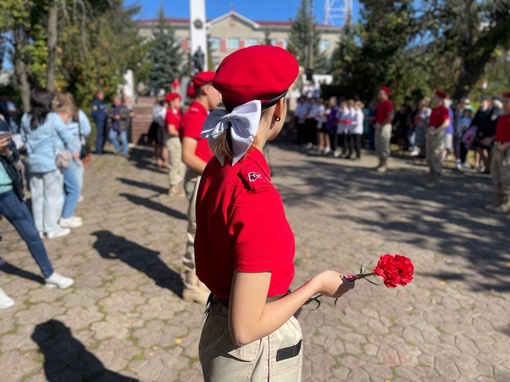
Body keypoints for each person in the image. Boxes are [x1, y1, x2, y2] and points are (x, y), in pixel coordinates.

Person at [195, 45, 355, 381]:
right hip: (254, 355)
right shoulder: (255, 194)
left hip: (218, 326)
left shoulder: (220, 163)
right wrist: (317, 285)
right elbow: (246, 328)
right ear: (279, 108)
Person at [0, 119, 74, 309]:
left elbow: (15, 156)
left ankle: (49, 275)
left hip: (8, 192)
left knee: (32, 234)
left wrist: (7, 152)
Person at [180, 71, 222, 305]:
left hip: (202, 178)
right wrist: (215, 171)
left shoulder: (203, 113)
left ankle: (198, 279)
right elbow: (187, 156)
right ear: (205, 88)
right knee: (196, 233)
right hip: (198, 179)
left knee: (203, 233)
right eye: (217, 88)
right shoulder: (195, 114)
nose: (220, 94)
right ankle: (190, 285)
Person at [20, 88, 79, 239]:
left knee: (37, 196)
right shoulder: (53, 118)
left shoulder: (25, 118)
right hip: (51, 163)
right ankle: (51, 228)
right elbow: (67, 137)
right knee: (53, 197)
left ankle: (39, 229)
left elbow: (23, 138)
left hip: (33, 163)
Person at [53, 92, 91, 228]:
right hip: (72, 151)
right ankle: (66, 215)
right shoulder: (77, 114)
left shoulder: (53, 115)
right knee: (74, 185)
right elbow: (87, 129)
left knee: (65, 184)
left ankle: (65, 213)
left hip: (60, 154)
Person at [485, 92, 510, 213]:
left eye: (507, 102)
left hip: (507, 149)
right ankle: (498, 199)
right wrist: (492, 139)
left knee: (506, 176)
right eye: (504, 101)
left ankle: (506, 203)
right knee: (496, 173)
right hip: (497, 147)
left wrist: (506, 145)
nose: (505, 104)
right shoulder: (501, 118)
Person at [423, 90, 450, 188]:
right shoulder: (434, 110)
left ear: (440, 99)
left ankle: (437, 179)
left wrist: (436, 131)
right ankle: (431, 177)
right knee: (430, 156)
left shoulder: (443, 109)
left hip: (437, 134)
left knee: (436, 156)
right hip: (431, 132)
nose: (433, 99)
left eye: (435, 98)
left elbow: (446, 122)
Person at [164, 92, 185, 196]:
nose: (180, 102)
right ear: (172, 102)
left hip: (178, 139)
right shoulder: (170, 113)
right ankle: (173, 187)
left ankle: (176, 185)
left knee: (180, 163)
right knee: (175, 163)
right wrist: (184, 134)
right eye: (178, 100)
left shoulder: (176, 112)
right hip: (174, 139)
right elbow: (171, 130)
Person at [374, 86, 394, 173]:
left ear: (386, 94)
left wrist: (381, 124)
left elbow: (390, 116)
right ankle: (380, 163)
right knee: (378, 145)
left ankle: (384, 164)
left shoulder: (388, 103)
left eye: (381, 93)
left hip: (385, 126)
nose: (379, 95)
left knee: (384, 145)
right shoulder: (380, 104)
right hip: (379, 125)